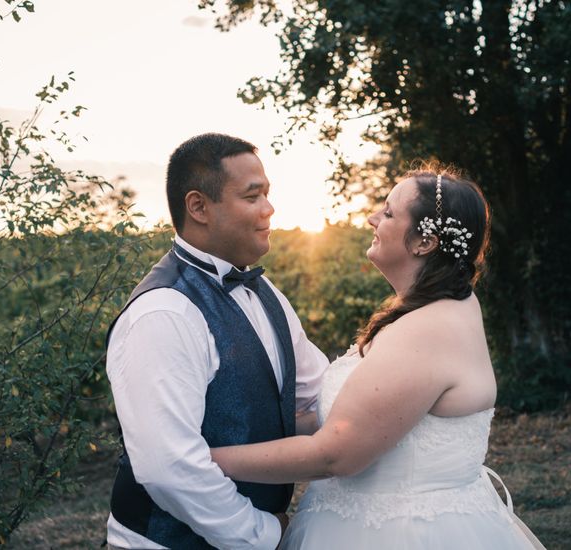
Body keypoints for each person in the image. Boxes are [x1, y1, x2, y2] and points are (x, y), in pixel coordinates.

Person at [210, 168, 546, 549]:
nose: (372, 218)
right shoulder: (446, 304)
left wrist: (206, 458)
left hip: (401, 533)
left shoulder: (427, 330)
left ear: (424, 242)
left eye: (387, 213)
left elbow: (335, 455)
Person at [104, 133, 328, 549]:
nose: (269, 208)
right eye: (252, 196)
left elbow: (319, 392)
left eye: (267, 194)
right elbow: (168, 468)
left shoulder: (265, 292)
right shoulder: (164, 314)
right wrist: (263, 534)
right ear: (199, 207)